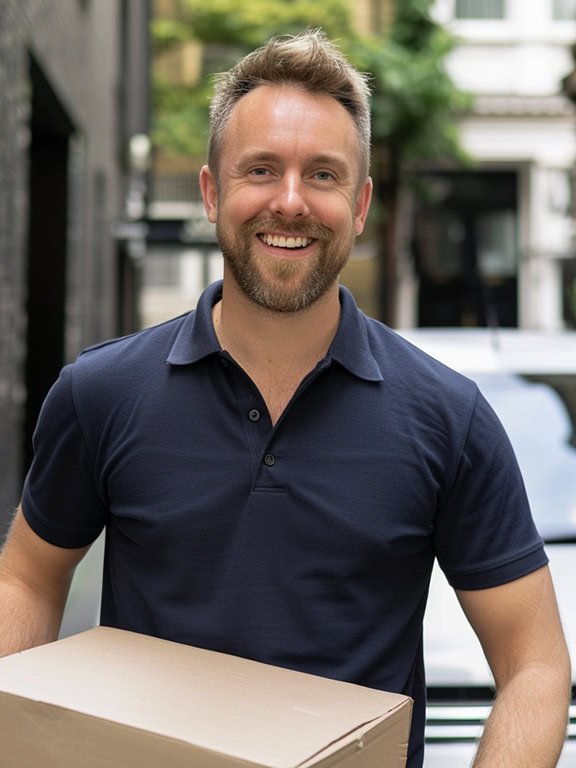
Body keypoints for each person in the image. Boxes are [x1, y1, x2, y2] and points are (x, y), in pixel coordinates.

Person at [0, 30, 570, 768]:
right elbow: (28, 577)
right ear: (212, 192)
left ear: (360, 205)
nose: (291, 202)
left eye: (324, 175)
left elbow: (535, 664)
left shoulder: (449, 419)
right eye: (261, 169)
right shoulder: (100, 393)